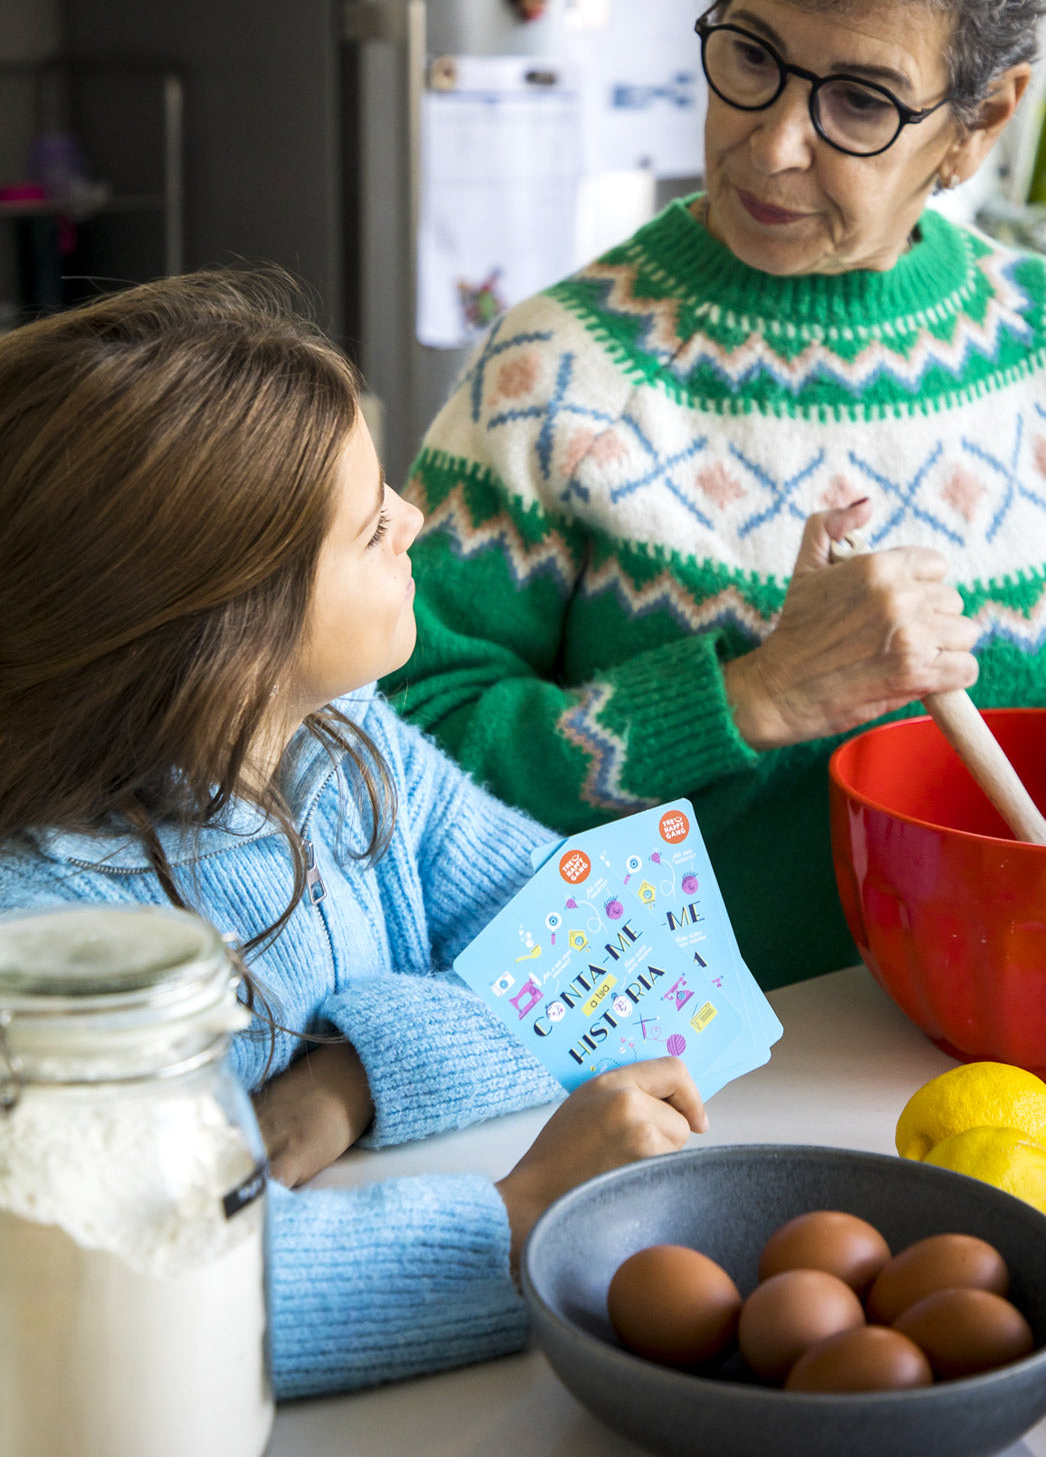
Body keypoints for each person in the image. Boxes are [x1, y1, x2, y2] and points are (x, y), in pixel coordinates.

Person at [389, 0, 1046, 989]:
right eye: (752, 55)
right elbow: (405, 753)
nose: (769, 145)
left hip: (1023, 1035)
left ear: (983, 119)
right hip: (686, 1074)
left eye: (860, 101)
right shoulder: (558, 370)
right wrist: (751, 696)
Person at [0, 272, 708, 1398]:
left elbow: (645, 950)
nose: (417, 521)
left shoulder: (338, 743)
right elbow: (162, 1297)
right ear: (232, 639)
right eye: (375, 523)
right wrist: (512, 1216)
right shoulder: (49, 953)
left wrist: (359, 1074)